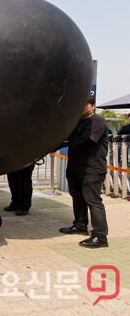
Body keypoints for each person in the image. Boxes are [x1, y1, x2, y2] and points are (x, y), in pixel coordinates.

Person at [58, 96, 109, 248]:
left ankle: (100, 236)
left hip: (92, 169)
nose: (80, 108)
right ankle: (80, 225)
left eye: (84, 105)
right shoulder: (77, 122)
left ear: (92, 105)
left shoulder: (98, 121)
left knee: (93, 200)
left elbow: (87, 139)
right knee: (77, 197)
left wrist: (64, 143)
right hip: (75, 166)